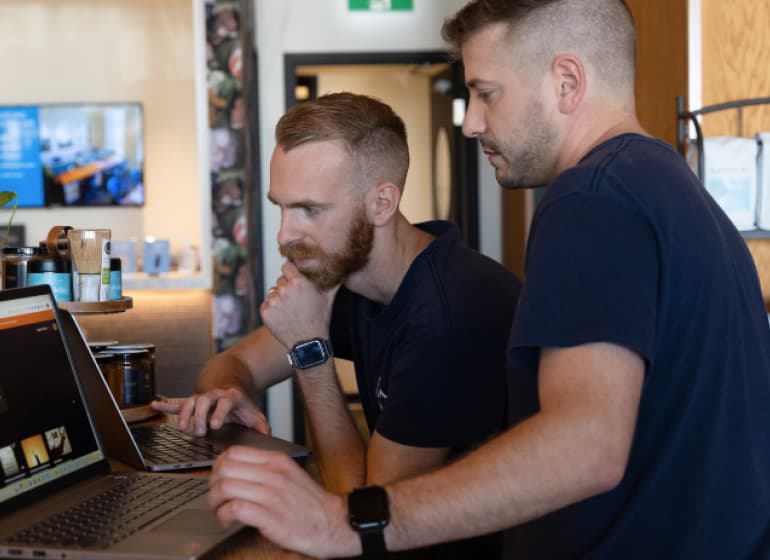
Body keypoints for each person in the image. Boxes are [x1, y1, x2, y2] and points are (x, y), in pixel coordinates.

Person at [202, 1, 770, 558]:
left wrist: (347, 522)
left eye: (486, 93)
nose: (471, 122)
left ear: (567, 82)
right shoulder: (668, 187)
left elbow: (587, 445)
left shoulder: (592, 200)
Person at [155, 92, 522, 558]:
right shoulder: (351, 276)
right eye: (281, 207)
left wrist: (310, 350)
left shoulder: (448, 320)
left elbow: (361, 516)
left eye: (310, 209)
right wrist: (229, 392)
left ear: (382, 203)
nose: (285, 234)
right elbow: (234, 362)